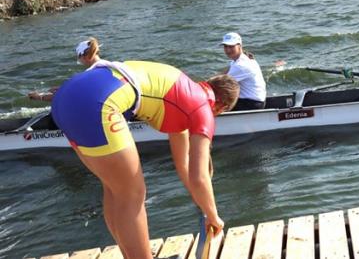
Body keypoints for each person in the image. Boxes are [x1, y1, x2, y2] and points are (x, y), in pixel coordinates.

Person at [51, 61, 239, 259]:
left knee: (115, 188)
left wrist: (204, 207)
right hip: (97, 103)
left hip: (65, 98)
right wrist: (214, 216)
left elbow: (183, 164)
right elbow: (199, 177)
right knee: (133, 193)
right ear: (221, 107)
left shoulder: (184, 93)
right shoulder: (202, 108)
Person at [28, 39, 105, 102]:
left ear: (84, 56)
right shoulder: (109, 67)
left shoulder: (89, 76)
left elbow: (67, 96)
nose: (80, 62)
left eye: (79, 59)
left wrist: (39, 97)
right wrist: (63, 88)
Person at [221, 32, 266, 110]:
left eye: (231, 46)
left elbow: (221, 84)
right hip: (255, 101)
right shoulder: (239, 60)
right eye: (225, 46)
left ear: (239, 46)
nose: (228, 50)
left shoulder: (241, 65)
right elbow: (223, 74)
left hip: (252, 104)